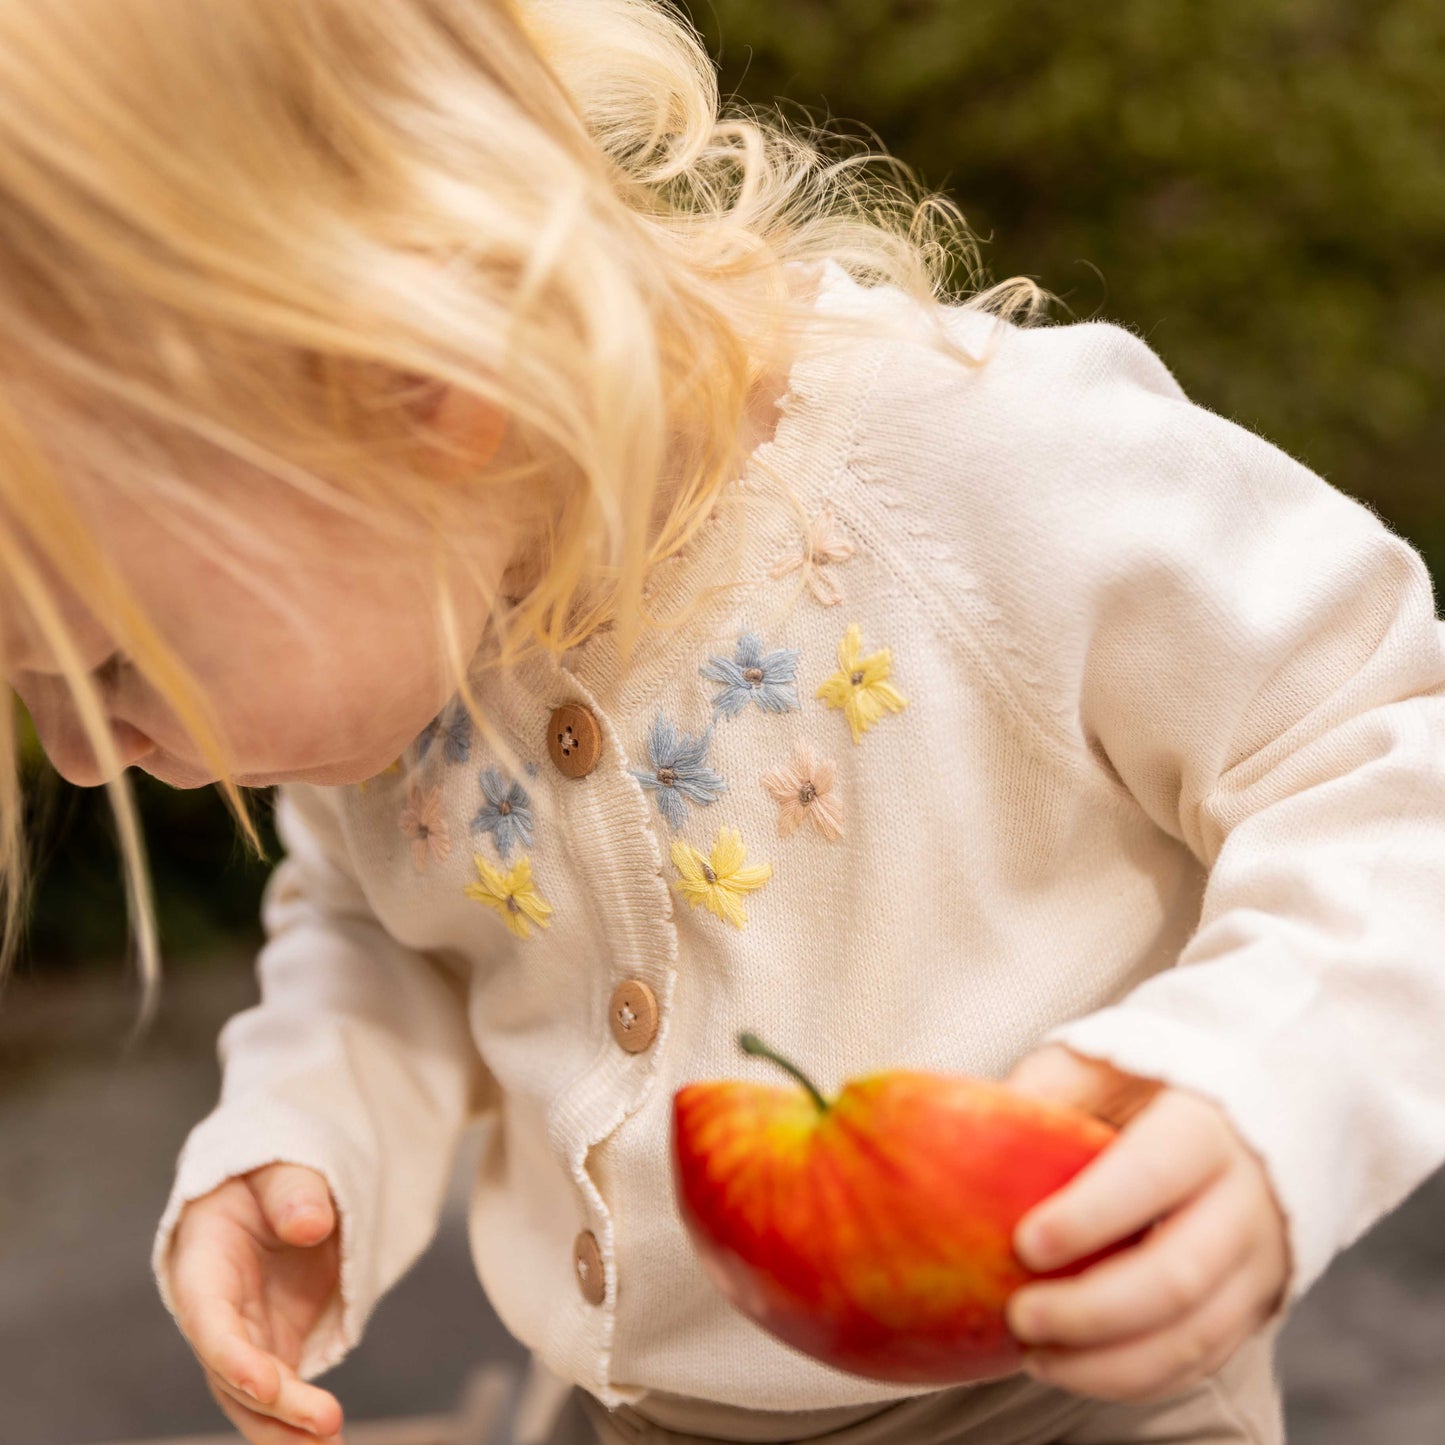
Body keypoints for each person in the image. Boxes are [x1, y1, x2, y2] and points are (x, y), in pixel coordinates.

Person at [1, 2, 1441, 1443]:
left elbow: (1380, 747)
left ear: (416, 387)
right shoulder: (383, 642)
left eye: (118, 659)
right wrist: (311, 1140)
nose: (77, 752)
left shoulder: (964, 470)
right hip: (635, 1411)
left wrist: (1266, 1079)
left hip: (1065, 1390)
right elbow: (377, 931)